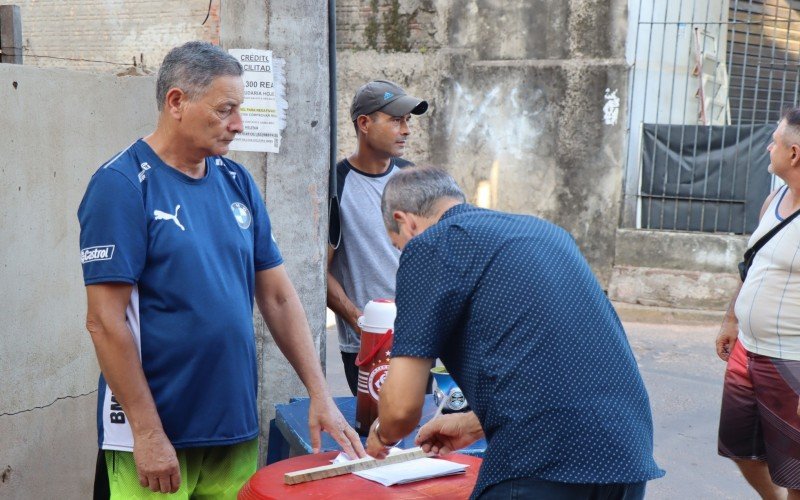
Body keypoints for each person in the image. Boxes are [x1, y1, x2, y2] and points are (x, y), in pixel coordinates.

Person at [78, 41, 365, 499]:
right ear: (177, 102)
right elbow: (105, 321)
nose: (238, 124)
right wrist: (148, 434)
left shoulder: (236, 181)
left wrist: (319, 392)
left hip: (233, 427)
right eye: (225, 109)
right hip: (158, 437)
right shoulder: (122, 185)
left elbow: (278, 296)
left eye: (240, 109)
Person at [365, 168, 664, 499]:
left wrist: (382, 433)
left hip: (542, 457)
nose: (404, 251)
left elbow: (402, 412)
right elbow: (558, 357)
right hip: (626, 448)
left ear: (406, 222)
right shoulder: (545, 232)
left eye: (398, 245)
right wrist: (474, 423)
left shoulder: (431, 244)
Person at [716, 108, 800, 500]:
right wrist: (731, 319)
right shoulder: (775, 198)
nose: (769, 146)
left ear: (795, 154)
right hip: (748, 351)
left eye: (776, 141)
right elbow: (753, 262)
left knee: (797, 472)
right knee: (742, 451)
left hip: (791, 360)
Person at [327, 80, 427, 395]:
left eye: (408, 120)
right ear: (364, 123)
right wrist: (360, 319)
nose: (406, 129)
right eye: (396, 119)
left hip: (420, 339)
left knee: (424, 436)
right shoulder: (336, 185)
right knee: (377, 434)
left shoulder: (412, 177)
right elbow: (317, 272)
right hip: (367, 345)